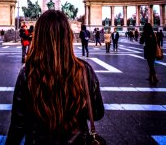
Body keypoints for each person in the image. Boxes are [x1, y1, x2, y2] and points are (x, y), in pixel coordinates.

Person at [6, 10, 104, 144]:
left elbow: (18, 124)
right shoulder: (84, 70)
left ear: (38, 37)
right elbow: (97, 113)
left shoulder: (28, 73)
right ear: (67, 36)